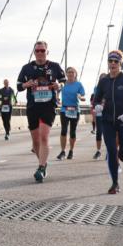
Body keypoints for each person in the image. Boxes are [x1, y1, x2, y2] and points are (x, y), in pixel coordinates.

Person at [90, 50, 123, 194]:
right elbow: (96, 99)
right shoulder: (103, 81)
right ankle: (115, 183)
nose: (113, 63)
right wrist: (97, 106)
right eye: (110, 61)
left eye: (116, 61)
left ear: (120, 63)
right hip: (108, 121)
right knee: (112, 151)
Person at [17, 41, 66, 182]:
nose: (40, 53)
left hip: (48, 106)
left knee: (44, 136)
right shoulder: (27, 68)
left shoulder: (54, 66)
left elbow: (63, 81)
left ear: (47, 52)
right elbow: (19, 86)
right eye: (37, 50)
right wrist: (27, 84)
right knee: (35, 142)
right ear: (34, 52)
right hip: (33, 106)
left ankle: (41, 168)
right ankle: (43, 163)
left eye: (42, 50)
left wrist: (59, 85)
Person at [56, 67, 85, 160]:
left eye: (72, 72)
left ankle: (71, 151)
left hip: (75, 110)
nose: (70, 74)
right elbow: (57, 90)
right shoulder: (63, 84)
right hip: (64, 109)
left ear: (75, 74)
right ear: (66, 74)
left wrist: (80, 97)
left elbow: (82, 94)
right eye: (68, 72)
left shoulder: (78, 84)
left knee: (72, 132)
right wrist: (57, 97)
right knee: (63, 130)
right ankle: (63, 151)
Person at [92, 73, 106, 159]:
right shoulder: (97, 89)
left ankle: (109, 151)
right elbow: (94, 101)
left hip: (109, 113)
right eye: (101, 78)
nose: (103, 80)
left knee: (108, 133)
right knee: (99, 132)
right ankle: (98, 151)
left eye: (104, 78)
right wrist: (96, 106)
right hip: (99, 113)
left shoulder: (111, 87)